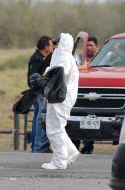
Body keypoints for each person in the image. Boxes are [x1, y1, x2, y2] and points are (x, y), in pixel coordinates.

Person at [41, 33, 80, 170]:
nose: (55, 45)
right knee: (58, 127)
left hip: (60, 98)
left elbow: (60, 71)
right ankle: (70, 152)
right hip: (62, 97)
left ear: (62, 44)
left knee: (54, 129)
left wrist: (46, 73)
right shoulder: (66, 56)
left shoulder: (63, 57)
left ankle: (59, 161)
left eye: (57, 43)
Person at [27, 35, 54, 153]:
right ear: (46, 47)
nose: (53, 47)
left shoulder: (39, 57)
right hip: (38, 92)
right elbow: (34, 78)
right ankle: (40, 146)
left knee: (37, 119)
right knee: (40, 119)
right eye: (51, 44)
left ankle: (36, 146)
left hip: (36, 92)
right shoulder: (37, 59)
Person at [72, 36, 98, 154]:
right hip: (79, 93)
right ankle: (74, 147)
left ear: (96, 47)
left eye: (91, 45)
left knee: (91, 120)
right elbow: (72, 70)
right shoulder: (77, 58)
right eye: (86, 45)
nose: (88, 47)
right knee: (77, 119)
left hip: (95, 95)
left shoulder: (102, 58)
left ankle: (88, 147)